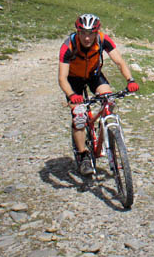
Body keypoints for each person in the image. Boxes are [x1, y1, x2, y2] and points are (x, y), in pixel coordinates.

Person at [58, 13, 139, 175]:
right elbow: (62, 78)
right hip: (73, 80)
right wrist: (72, 95)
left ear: (96, 33)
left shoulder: (103, 39)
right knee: (79, 116)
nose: (87, 38)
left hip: (94, 75)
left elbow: (119, 62)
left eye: (91, 33)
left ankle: (105, 130)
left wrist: (130, 80)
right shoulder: (68, 46)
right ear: (78, 32)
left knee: (109, 100)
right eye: (83, 33)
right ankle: (83, 155)